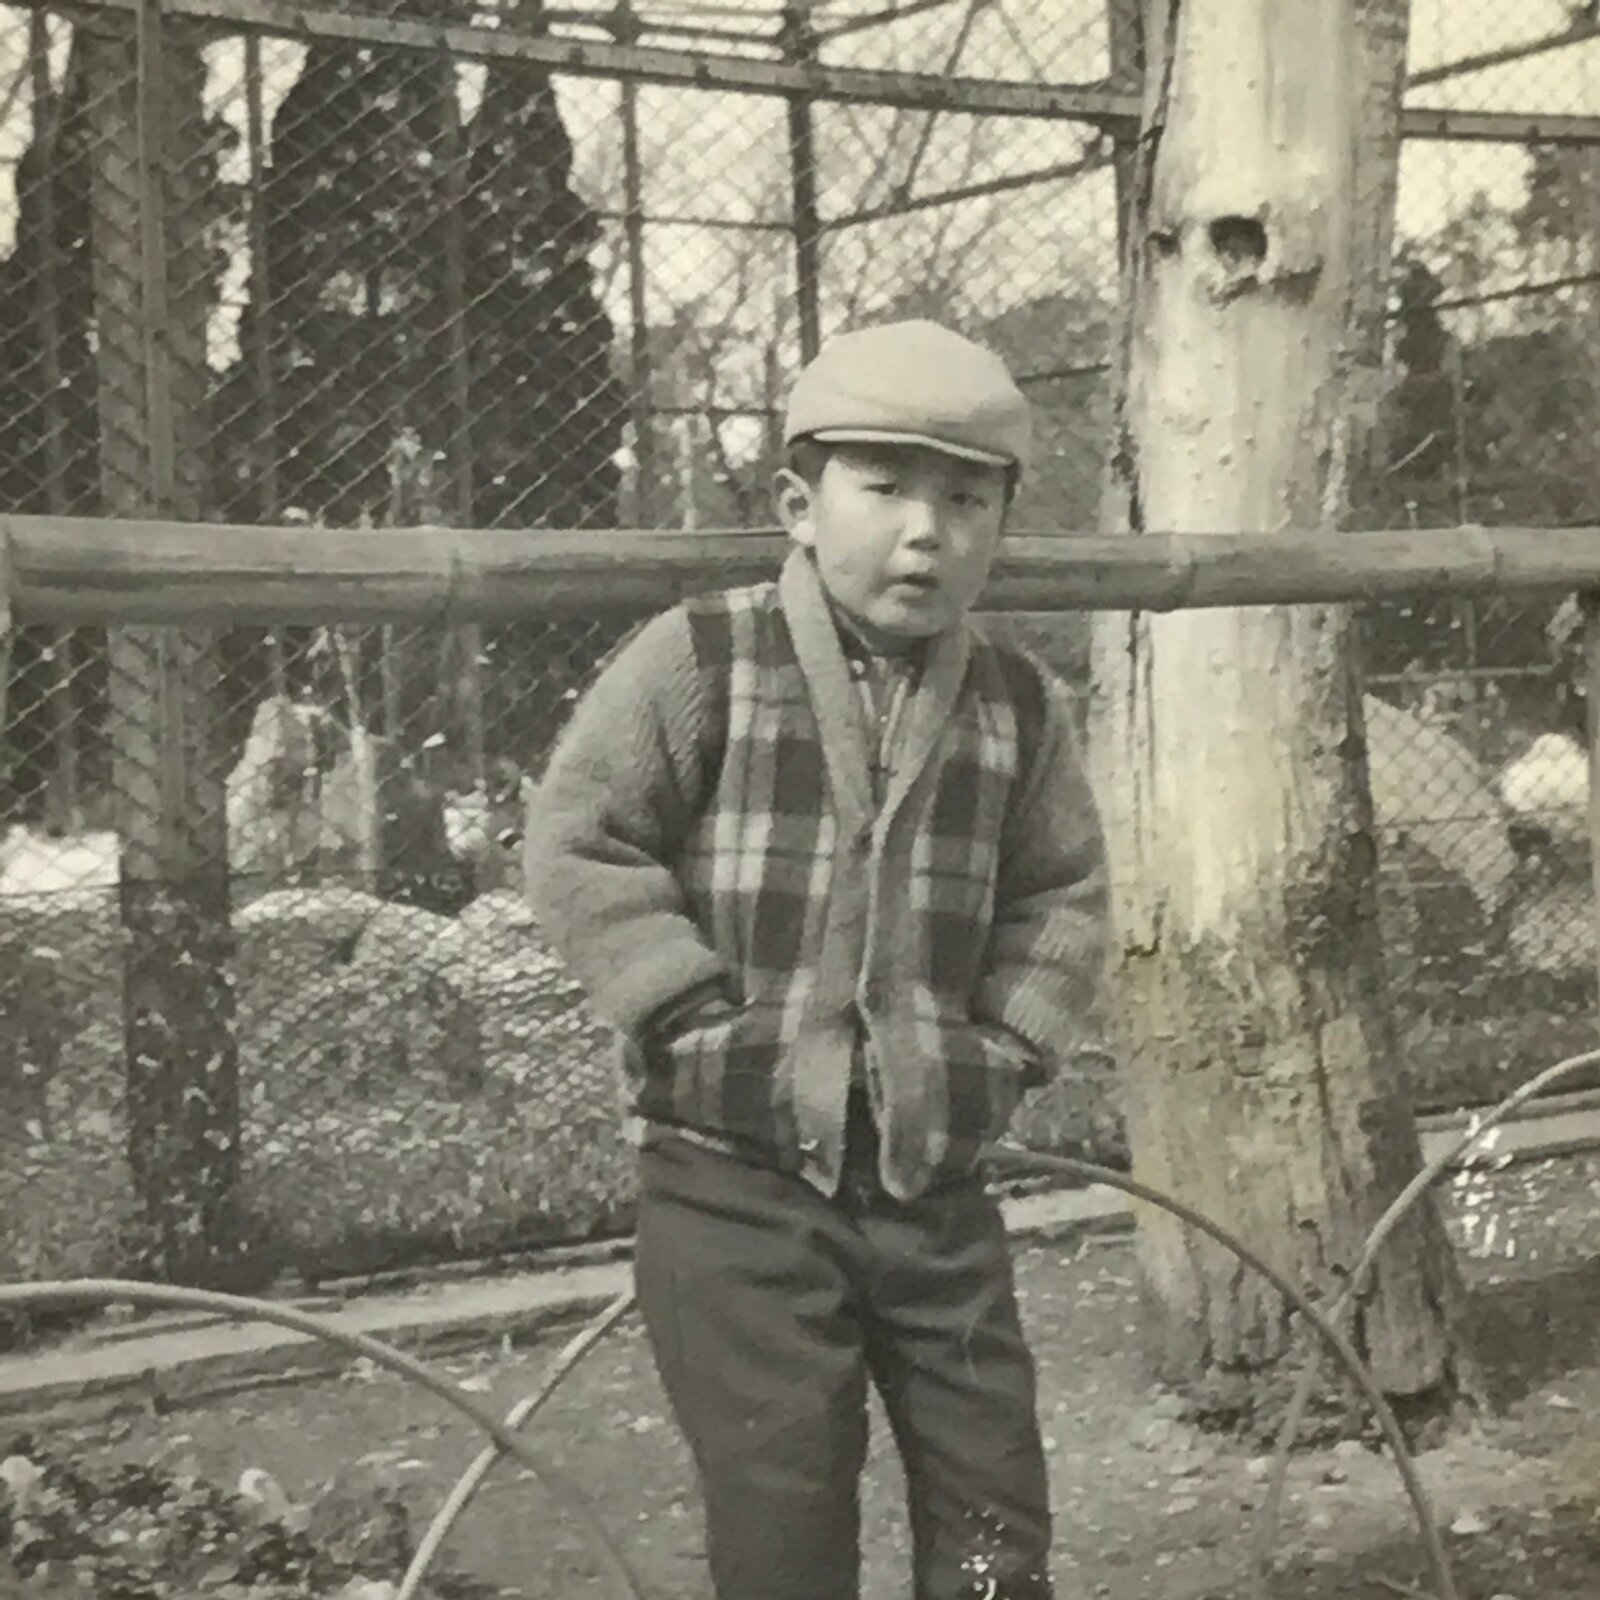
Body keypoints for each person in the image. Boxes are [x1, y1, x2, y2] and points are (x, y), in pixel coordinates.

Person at [525, 319, 1108, 1600]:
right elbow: (581, 841)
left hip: (930, 1178)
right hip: (730, 1177)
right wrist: (688, 1013)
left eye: (966, 501)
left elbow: (1061, 891)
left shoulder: (1017, 703)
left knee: (991, 1497)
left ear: (1002, 522)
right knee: (782, 1497)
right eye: (884, 488)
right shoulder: (703, 658)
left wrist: (1004, 1049)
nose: (925, 533)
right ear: (799, 505)